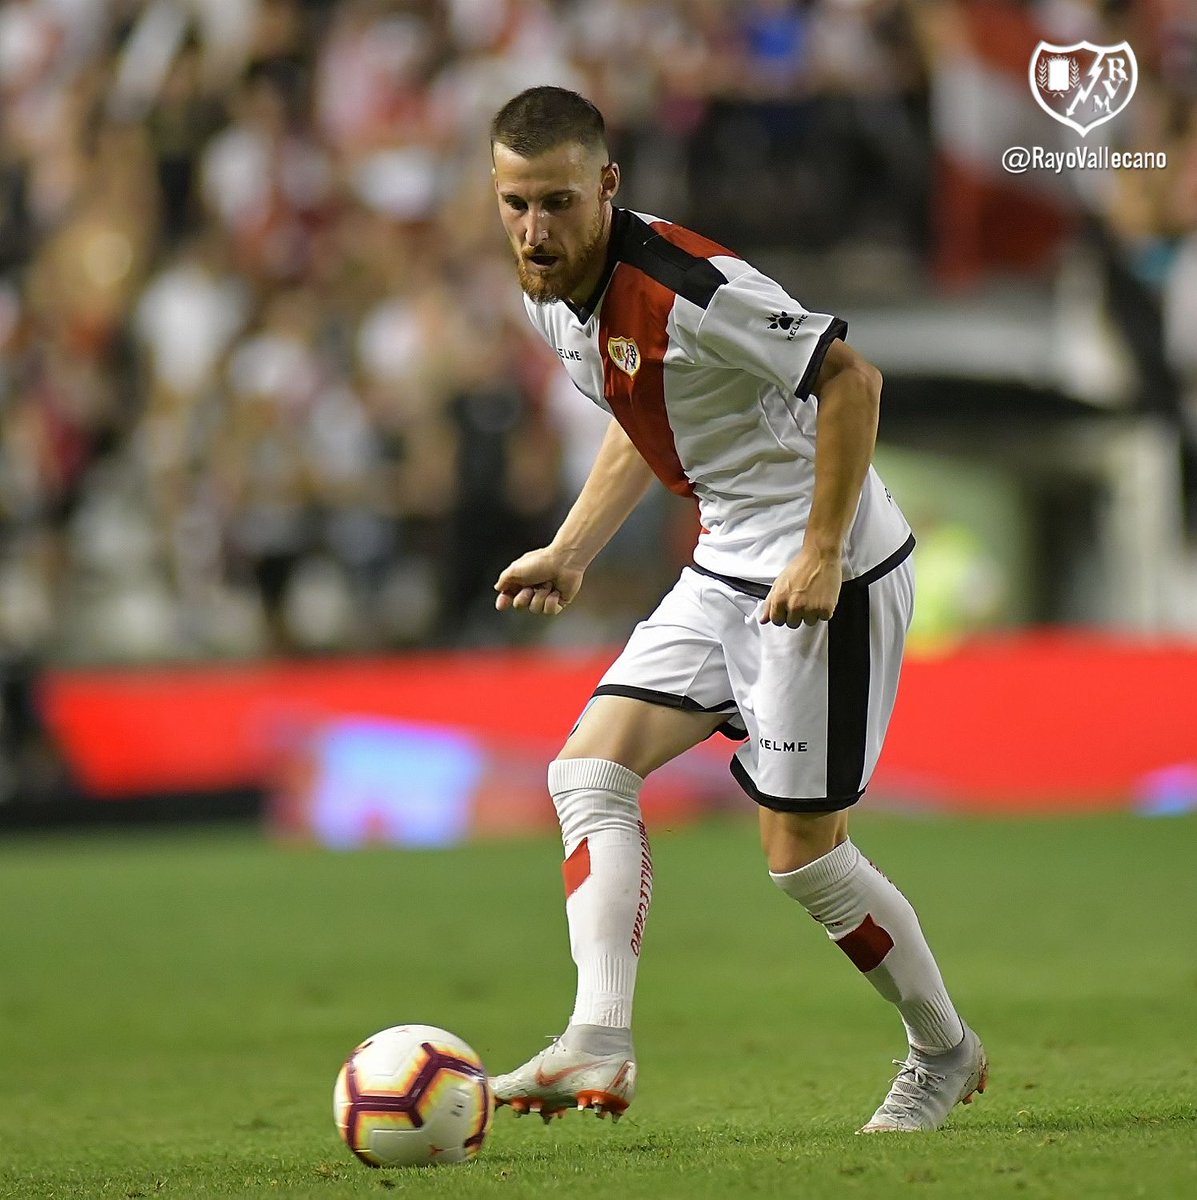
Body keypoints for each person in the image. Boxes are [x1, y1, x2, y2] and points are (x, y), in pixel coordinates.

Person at [487, 85, 987, 1133]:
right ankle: (600, 1037)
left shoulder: (693, 285)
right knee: (586, 770)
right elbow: (647, 411)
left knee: (802, 860)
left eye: (558, 203)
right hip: (726, 565)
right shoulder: (549, 294)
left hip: (829, 576)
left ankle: (944, 1052)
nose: (535, 231)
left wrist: (815, 551)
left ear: (608, 187)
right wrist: (574, 551)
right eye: (516, 204)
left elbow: (853, 380)